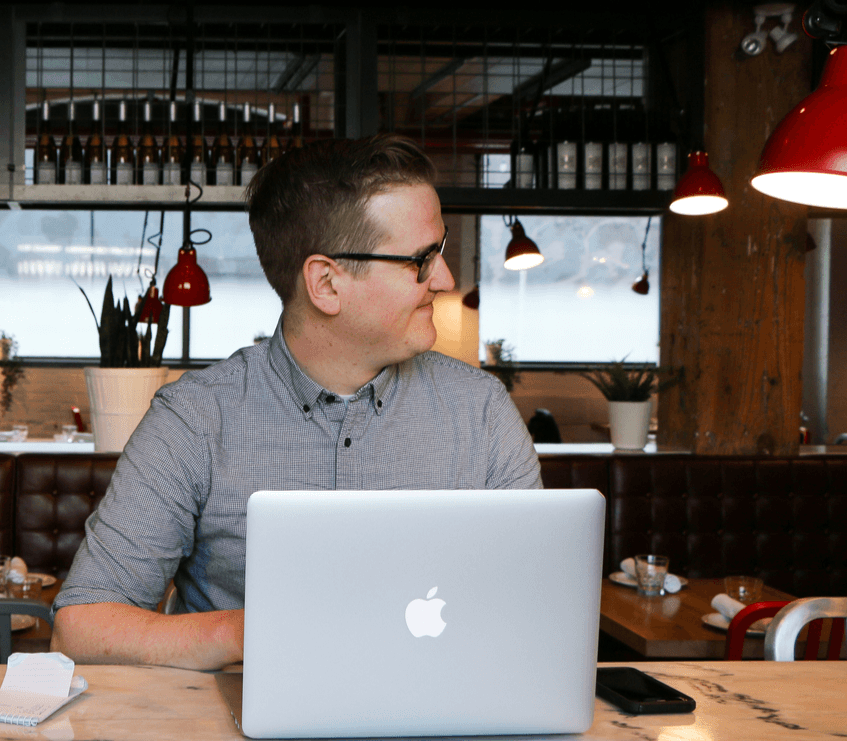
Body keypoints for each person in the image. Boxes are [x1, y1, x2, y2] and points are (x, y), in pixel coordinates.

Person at [50, 134, 540, 671]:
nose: (444, 279)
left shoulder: (483, 411)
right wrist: (247, 633)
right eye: (421, 260)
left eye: (439, 251)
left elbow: (539, 611)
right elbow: (81, 628)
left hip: (448, 736)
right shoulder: (194, 420)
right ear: (326, 283)